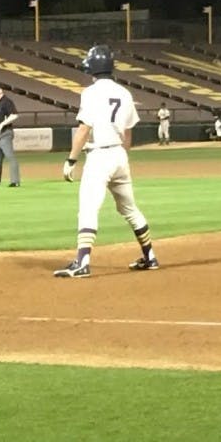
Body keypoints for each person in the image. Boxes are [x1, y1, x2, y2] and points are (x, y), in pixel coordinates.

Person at [54, 44, 158, 278]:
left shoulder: (90, 93)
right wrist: (122, 159)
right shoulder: (125, 93)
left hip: (99, 155)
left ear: (92, 68)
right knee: (130, 209)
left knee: (88, 209)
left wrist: (71, 160)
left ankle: (82, 262)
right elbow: (128, 134)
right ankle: (150, 257)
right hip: (119, 155)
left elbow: (83, 129)